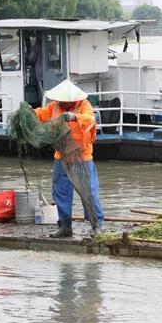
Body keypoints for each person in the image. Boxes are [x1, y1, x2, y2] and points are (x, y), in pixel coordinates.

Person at [34, 79, 104, 237]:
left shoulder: (84, 105)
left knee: (89, 192)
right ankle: (65, 226)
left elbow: (90, 119)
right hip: (61, 156)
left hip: (82, 157)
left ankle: (96, 224)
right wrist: (33, 113)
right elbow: (42, 113)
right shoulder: (54, 106)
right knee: (61, 191)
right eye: (61, 101)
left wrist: (74, 117)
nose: (63, 104)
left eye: (66, 102)